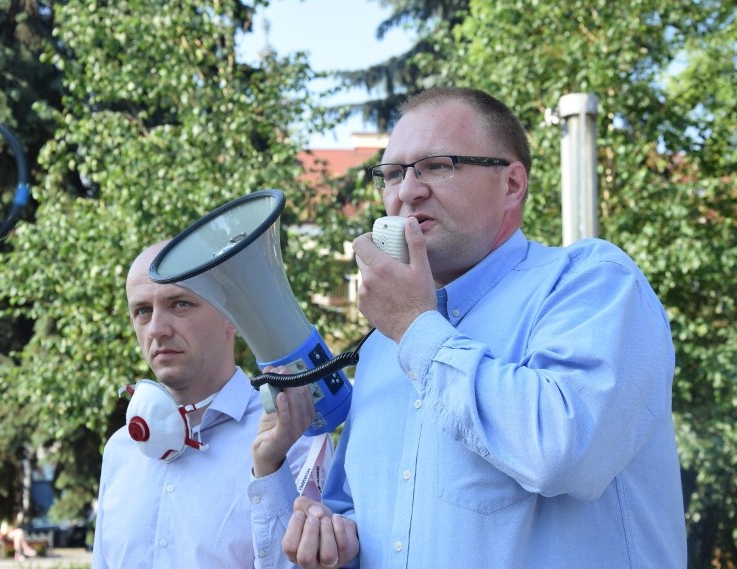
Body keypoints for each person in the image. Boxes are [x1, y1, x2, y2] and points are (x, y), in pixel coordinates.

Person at [250, 87, 687, 568]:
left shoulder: (591, 280)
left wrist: (416, 326)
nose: (406, 191)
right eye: (392, 174)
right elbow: (354, 517)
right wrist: (330, 541)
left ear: (512, 184)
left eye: (438, 165)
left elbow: (566, 451)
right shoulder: (383, 345)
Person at [92, 241, 328, 568]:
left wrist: (270, 470)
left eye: (180, 304)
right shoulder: (121, 449)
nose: (157, 330)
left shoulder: (294, 435)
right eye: (143, 311)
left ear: (233, 316)